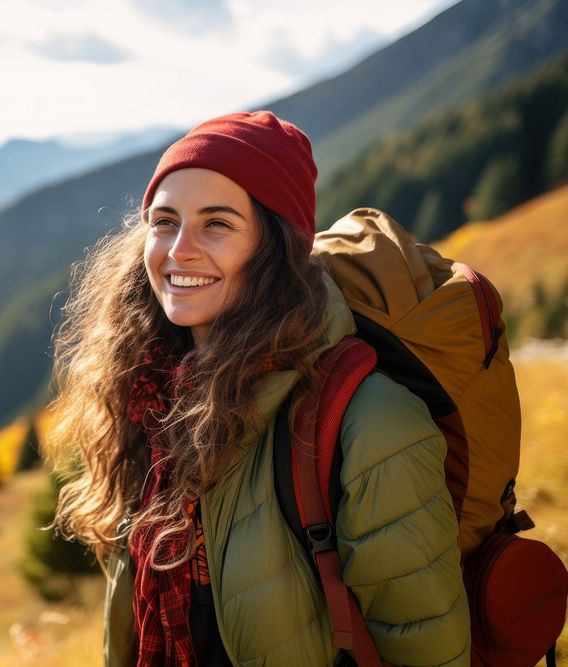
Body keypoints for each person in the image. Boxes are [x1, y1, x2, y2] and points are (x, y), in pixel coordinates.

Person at [51, 111, 471, 666]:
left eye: (217, 224)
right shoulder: (150, 398)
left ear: (275, 248)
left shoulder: (369, 422)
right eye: (164, 220)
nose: (179, 250)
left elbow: (426, 649)